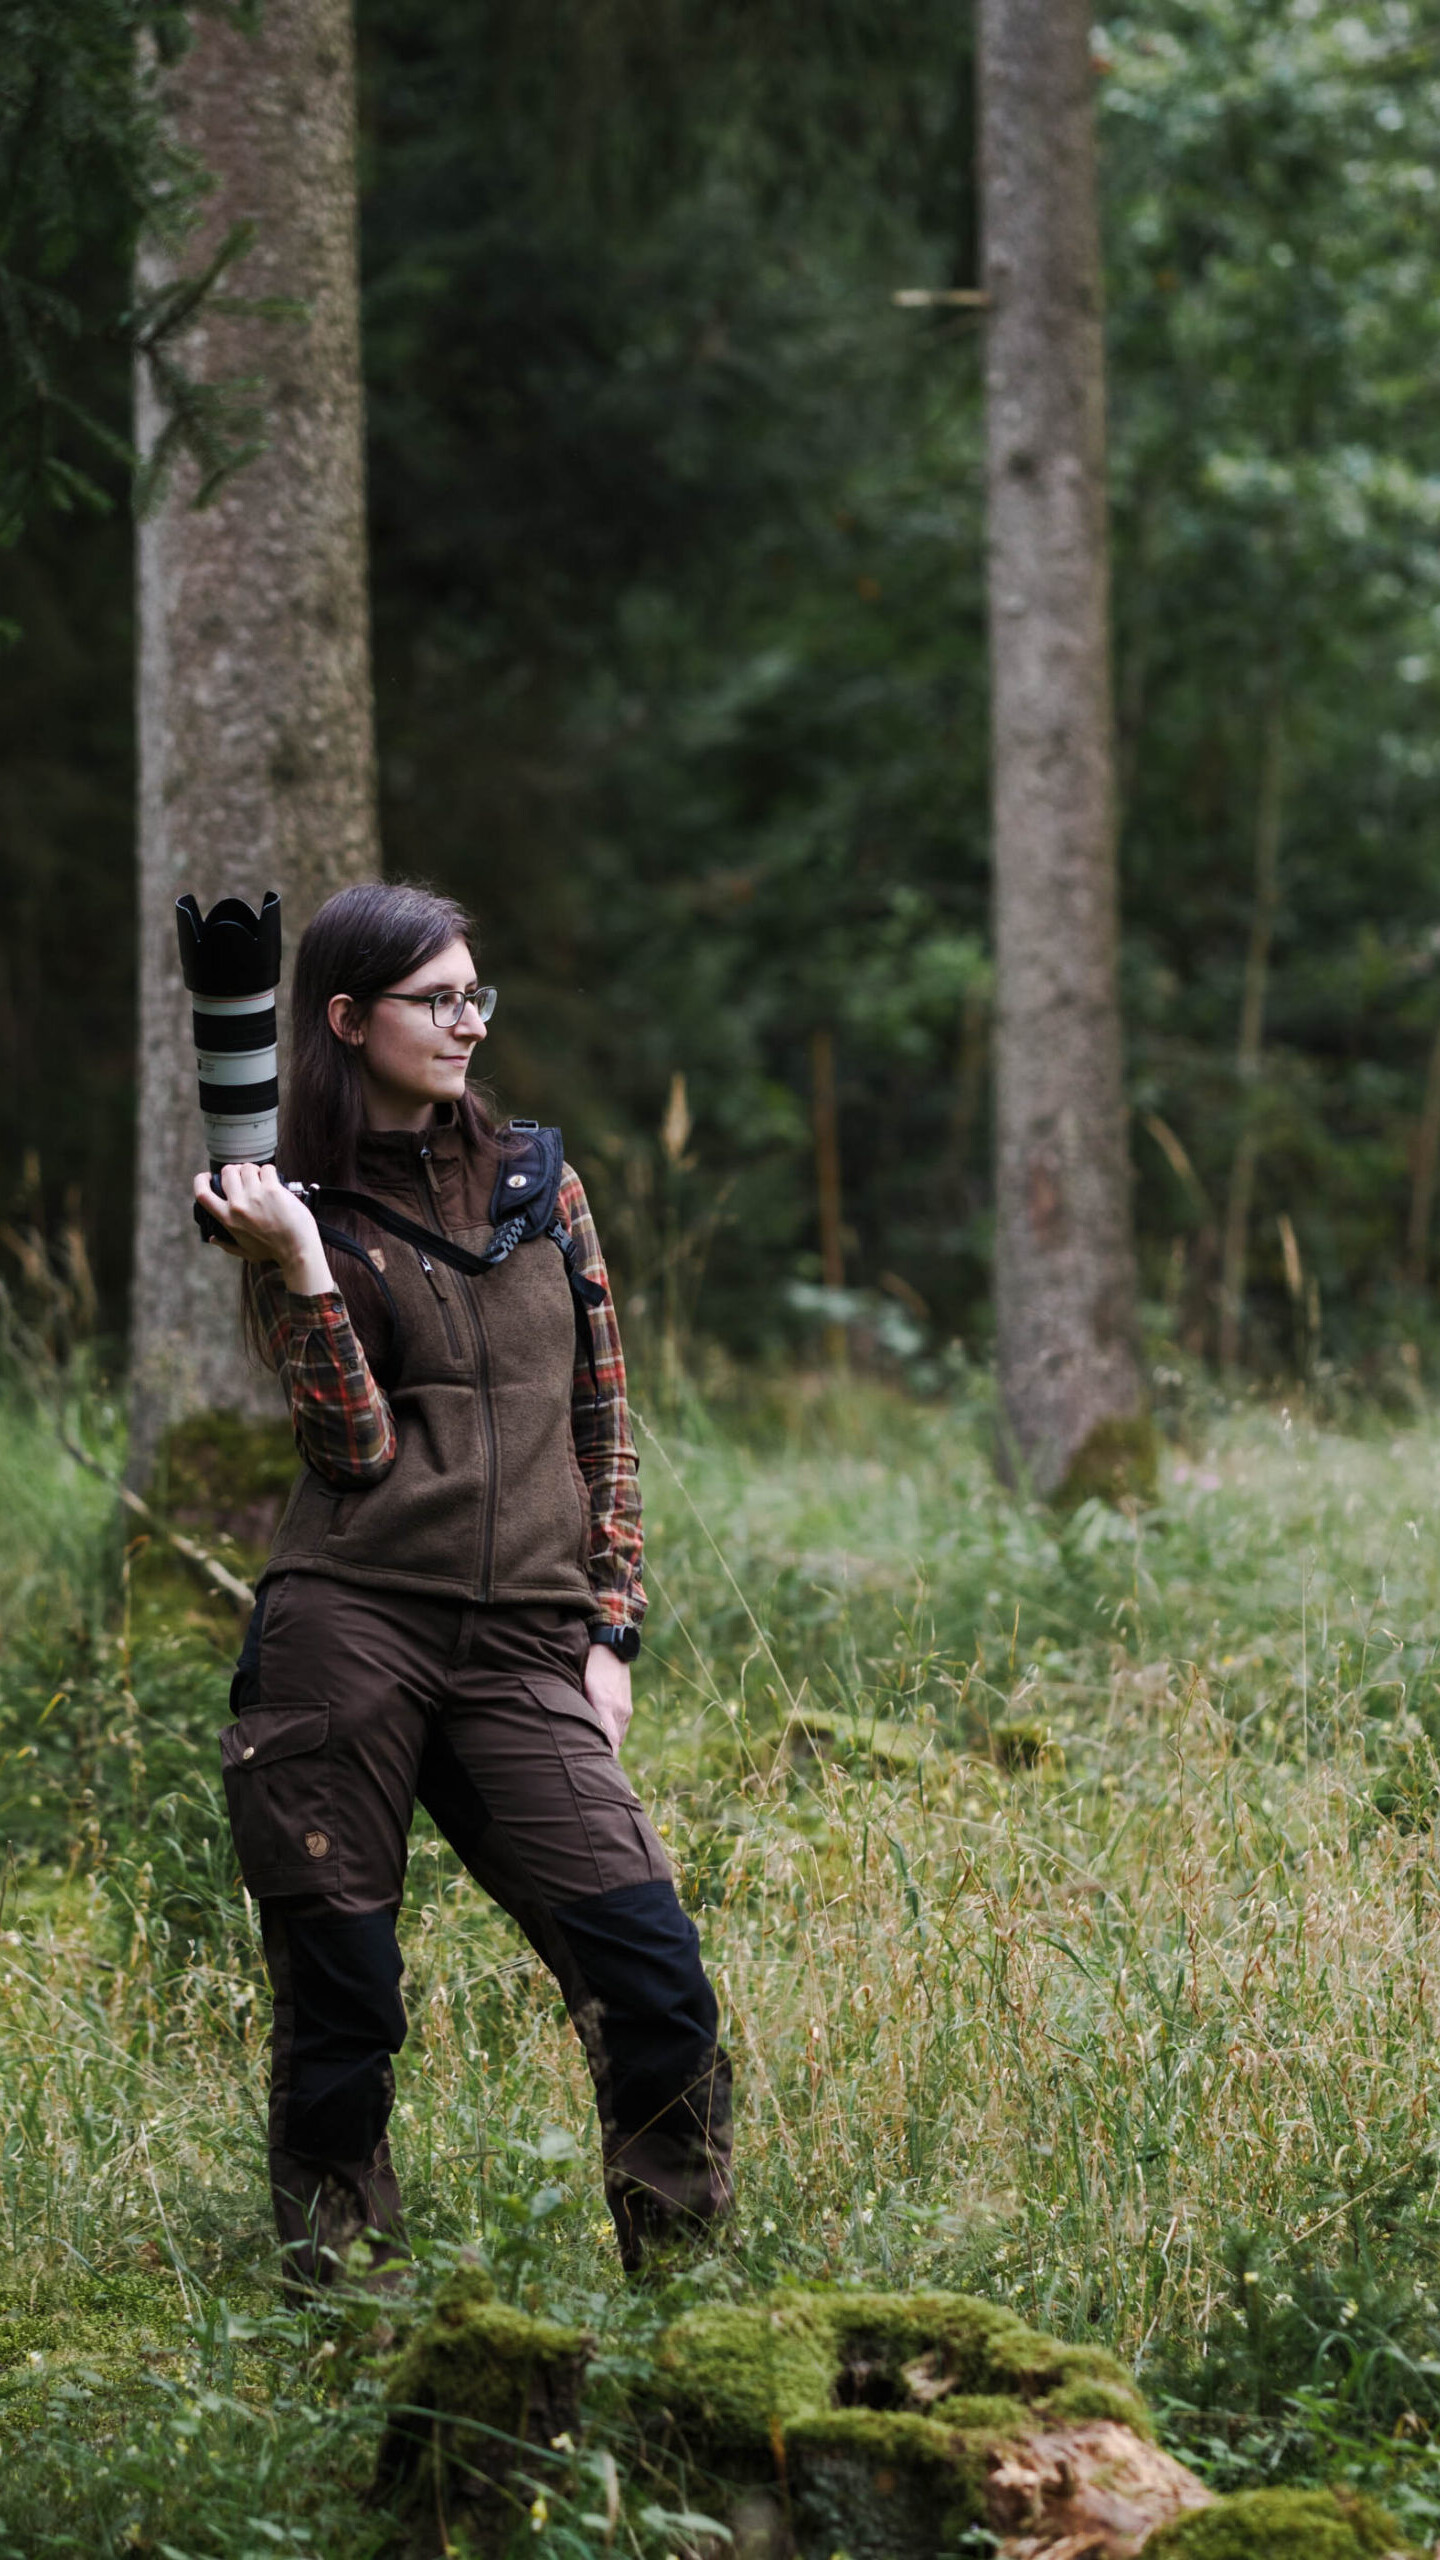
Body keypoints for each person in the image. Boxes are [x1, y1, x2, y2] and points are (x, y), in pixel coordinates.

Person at [196, 879, 732, 2288]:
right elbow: (354, 1448)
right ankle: (346, 2303)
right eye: (439, 1000)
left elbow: (605, 1416)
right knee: (344, 2005)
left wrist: (610, 1632)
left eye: (476, 995)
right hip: (347, 1634)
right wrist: (304, 1267)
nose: (469, 1023)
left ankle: (681, 2301)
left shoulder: (538, 1181)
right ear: (347, 1019)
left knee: (653, 1978)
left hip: (523, 1649)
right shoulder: (284, 1209)